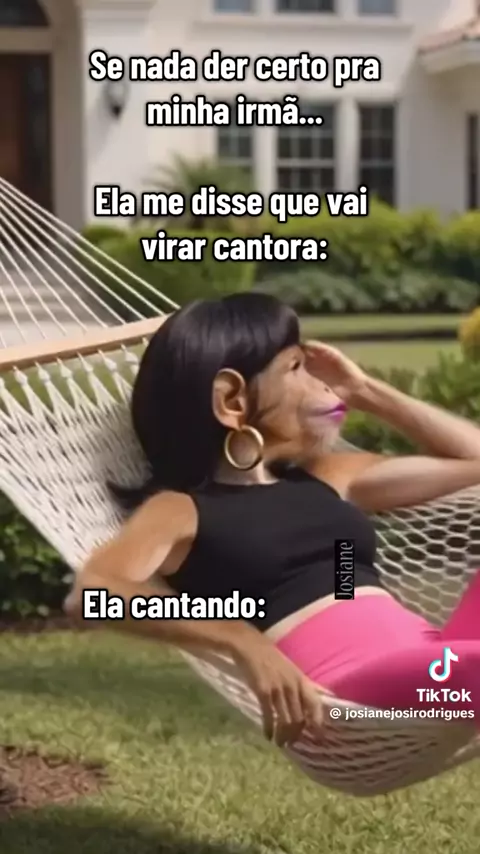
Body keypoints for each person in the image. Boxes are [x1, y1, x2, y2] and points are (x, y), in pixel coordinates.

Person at [66, 293, 480, 747]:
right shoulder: (182, 510)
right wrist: (238, 638)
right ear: (232, 400)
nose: (322, 383)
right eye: (296, 367)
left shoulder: (328, 478)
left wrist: (365, 392)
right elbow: (92, 596)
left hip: (438, 667)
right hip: (349, 695)